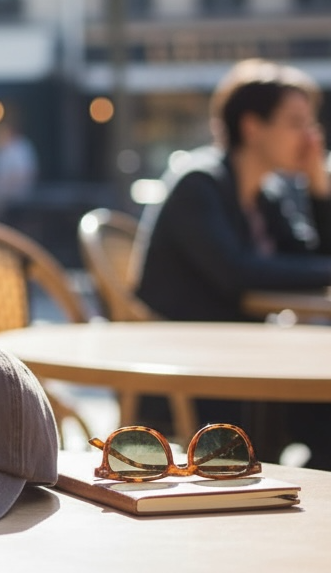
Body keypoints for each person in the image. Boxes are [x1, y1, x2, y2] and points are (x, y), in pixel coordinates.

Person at [132, 58, 331, 466]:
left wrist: (318, 186)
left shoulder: (266, 194)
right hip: (189, 370)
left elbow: (313, 262)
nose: (310, 137)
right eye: (295, 122)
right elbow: (238, 273)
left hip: (245, 360)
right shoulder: (199, 183)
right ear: (252, 125)